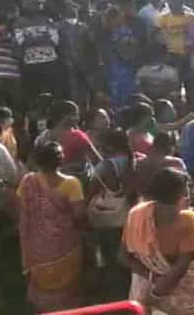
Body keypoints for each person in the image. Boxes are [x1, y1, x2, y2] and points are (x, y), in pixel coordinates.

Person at [121, 167, 194, 314]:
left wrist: (152, 283)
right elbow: (181, 266)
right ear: (181, 194)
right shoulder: (187, 219)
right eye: (186, 190)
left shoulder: (137, 214)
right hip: (182, 296)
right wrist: (156, 287)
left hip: (148, 289)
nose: (189, 195)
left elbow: (124, 256)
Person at [17, 142, 86, 312]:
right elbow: (80, 215)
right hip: (64, 246)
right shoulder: (71, 184)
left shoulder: (28, 181)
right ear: (61, 160)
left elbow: (23, 209)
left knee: (42, 284)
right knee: (68, 286)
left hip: (36, 247)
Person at [86, 127, 136, 302]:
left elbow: (91, 191)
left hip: (110, 222)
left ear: (109, 146)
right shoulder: (137, 160)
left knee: (113, 259)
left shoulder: (104, 166)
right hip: (133, 217)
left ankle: (117, 298)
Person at [35, 100, 102, 181]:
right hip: (75, 182)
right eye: (75, 115)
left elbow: (35, 163)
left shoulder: (43, 136)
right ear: (65, 116)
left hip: (47, 182)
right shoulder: (78, 136)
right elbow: (98, 161)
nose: (78, 118)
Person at [14, 0, 64, 98]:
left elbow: (55, 40)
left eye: (32, 4)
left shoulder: (47, 20)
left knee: (57, 94)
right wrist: (42, 38)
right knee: (32, 96)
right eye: (26, 4)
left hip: (50, 62)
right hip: (30, 64)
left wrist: (31, 38)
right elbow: (21, 42)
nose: (30, 6)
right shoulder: (18, 22)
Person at [156, 0, 194, 79]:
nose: (172, 5)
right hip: (172, 56)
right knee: (173, 85)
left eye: (176, 2)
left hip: (190, 56)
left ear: (181, 2)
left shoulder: (192, 18)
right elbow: (158, 37)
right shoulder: (163, 18)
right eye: (170, 2)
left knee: (192, 85)